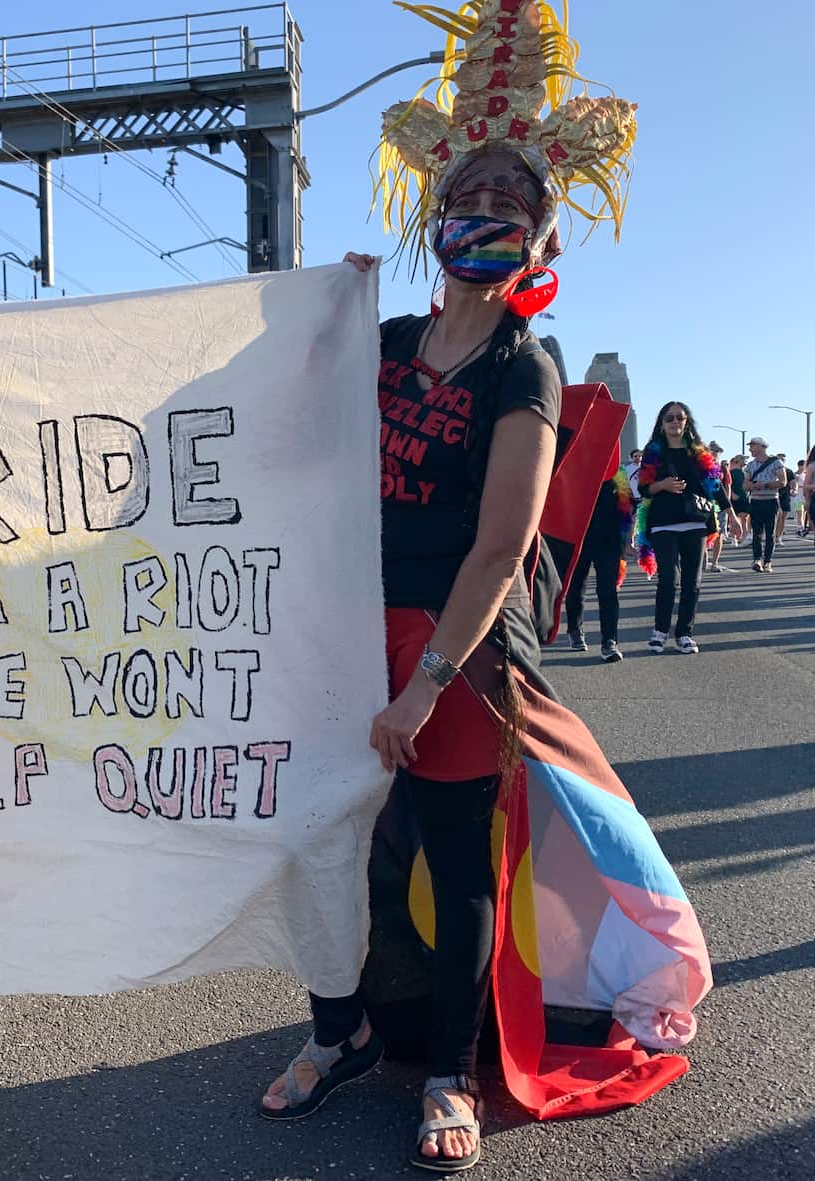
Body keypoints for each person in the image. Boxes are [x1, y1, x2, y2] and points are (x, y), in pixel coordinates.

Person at [259, 5, 708, 1172]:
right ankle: (338, 1030)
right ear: (435, 215)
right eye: (470, 202)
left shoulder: (527, 368)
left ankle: (449, 1072)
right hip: (346, 625)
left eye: (511, 209)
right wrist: (322, 315)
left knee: (454, 860)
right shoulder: (389, 333)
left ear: (539, 243)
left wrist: (420, 686)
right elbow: (281, 419)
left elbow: (500, 543)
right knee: (332, 848)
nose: (486, 220)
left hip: (457, 646)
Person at [635, 404, 741, 653]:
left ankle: (684, 633)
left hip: (696, 522)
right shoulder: (654, 452)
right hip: (663, 523)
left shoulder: (698, 452)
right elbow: (643, 489)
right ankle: (659, 632)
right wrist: (662, 485)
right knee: (668, 580)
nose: (674, 422)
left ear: (686, 422)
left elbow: (715, 488)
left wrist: (732, 516)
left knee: (692, 581)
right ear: (661, 423)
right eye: (669, 418)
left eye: (679, 418)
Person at [564, 471, 629, 661]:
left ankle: (609, 641)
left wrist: (626, 540)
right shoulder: (576, 471)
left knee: (608, 591)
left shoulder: (618, 476)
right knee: (576, 587)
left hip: (609, 542)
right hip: (578, 540)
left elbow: (625, 510)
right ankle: (575, 630)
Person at [744, 436, 784, 572]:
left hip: (771, 500)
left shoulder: (776, 462)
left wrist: (765, 485)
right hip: (755, 501)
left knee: (770, 533)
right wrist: (752, 486)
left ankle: (768, 561)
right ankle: (757, 560)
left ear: (762, 447)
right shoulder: (750, 465)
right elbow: (745, 485)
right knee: (756, 532)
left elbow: (782, 481)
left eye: (753, 445)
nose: (750, 449)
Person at [704, 442, 731, 572]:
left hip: (719, 505)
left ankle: (714, 562)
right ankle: (704, 559)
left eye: (718, 452)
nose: (715, 454)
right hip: (704, 504)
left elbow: (726, 487)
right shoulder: (701, 465)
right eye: (713, 451)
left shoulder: (722, 468)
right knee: (703, 532)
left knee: (719, 533)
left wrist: (728, 505)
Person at [728, 455, 750, 545]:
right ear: (738, 460)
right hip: (735, 498)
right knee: (733, 518)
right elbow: (728, 484)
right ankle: (734, 538)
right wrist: (732, 494)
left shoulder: (744, 473)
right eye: (743, 459)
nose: (745, 461)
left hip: (744, 497)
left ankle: (744, 537)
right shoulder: (731, 472)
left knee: (745, 517)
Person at [775, 453, 793, 546]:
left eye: (782, 459)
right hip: (773, 496)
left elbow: (793, 482)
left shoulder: (789, 471)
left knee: (782, 517)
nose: (781, 461)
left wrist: (795, 489)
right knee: (774, 517)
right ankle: (772, 535)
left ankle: (779, 536)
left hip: (785, 496)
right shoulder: (772, 470)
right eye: (779, 459)